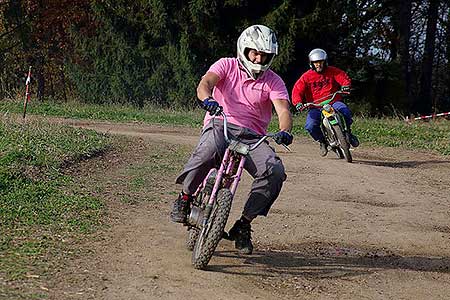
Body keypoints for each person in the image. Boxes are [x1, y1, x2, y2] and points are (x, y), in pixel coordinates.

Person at [169, 24, 293, 255]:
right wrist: (208, 99)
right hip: (222, 123)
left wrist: (284, 130)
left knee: (274, 171)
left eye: (264, 54)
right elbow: (205, 83)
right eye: (254, 52)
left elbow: (283, 110)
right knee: (208, 150)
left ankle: (244, 224)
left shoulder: (274, 81)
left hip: (254, 136)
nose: (258, 58)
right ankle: (185, 197)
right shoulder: (226, 64)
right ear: (243, 49)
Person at [291, 48, 359, 156]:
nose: (318, 65)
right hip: (316, 106)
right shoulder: (306, 77)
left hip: (333, 101)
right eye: (315, 62)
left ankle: (348, 134)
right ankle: (322, 141)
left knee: (345, 111)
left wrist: (346, 86)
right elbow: (297, 90)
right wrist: (298, 103)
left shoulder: (333, 71)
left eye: (320, 62)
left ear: (325, 61)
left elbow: (343, 77)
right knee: (310, 126)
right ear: (311, 63)